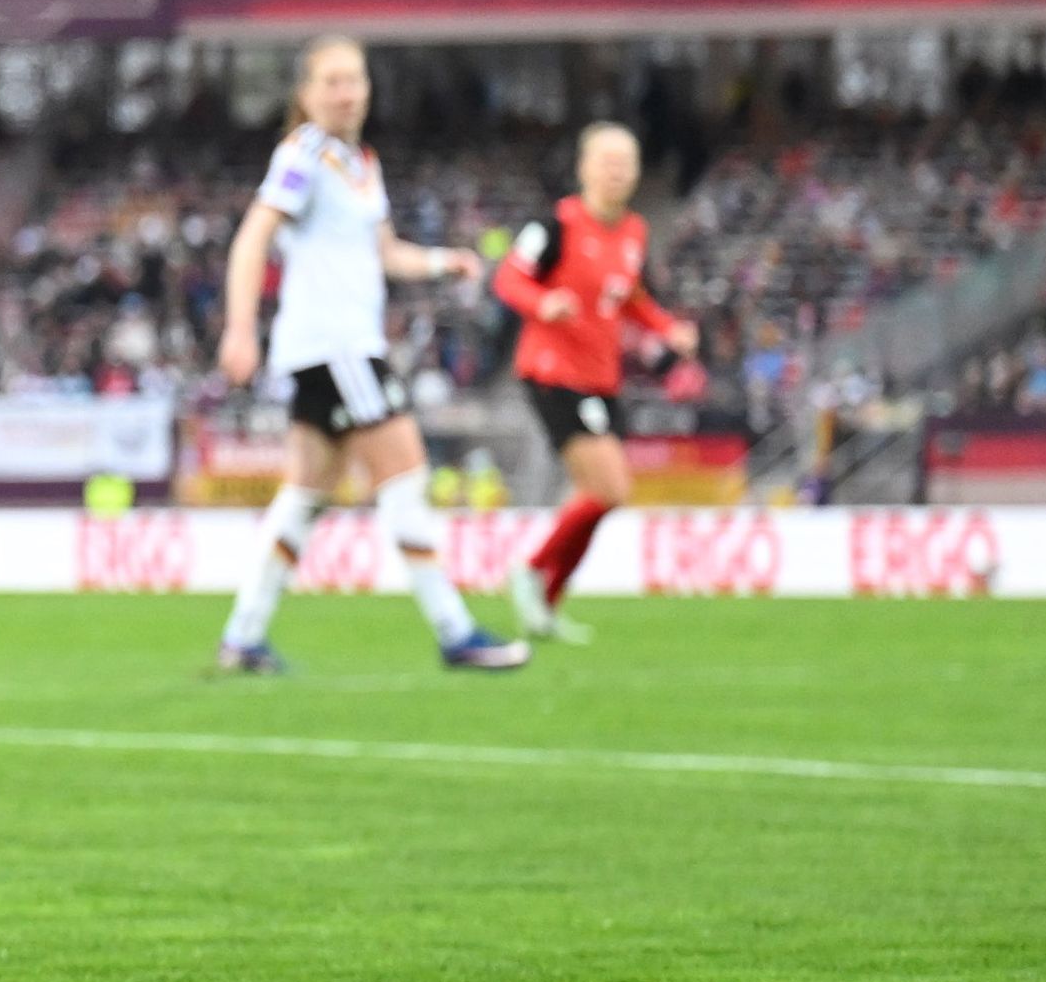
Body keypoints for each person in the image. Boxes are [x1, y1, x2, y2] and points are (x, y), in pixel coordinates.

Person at [210, 37, 527, 674]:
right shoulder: (303, 154)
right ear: (305, 94)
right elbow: (253, 239)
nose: (346, 92)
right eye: (331, 81)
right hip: (338, 349)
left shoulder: (360, 163)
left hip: (337, 348)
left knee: (307, 495)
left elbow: (386, 253)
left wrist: (444, 261)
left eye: (354, 80)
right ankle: (455, 630)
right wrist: (240, 327)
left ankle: (243, 638)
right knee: (405, 475)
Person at [493, 121, 696, 645]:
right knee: (610, 487)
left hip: (601, 378)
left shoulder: (633, 233)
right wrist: (544, 303)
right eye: (607, 162)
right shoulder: (556, 224)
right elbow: (508, 278)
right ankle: (532, 569)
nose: (617, 173)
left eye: (626, 164)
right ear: (584, 168)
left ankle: (545, 602)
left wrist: (666, 327)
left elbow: (630, 298)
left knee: (602, 496)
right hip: (552, 372)